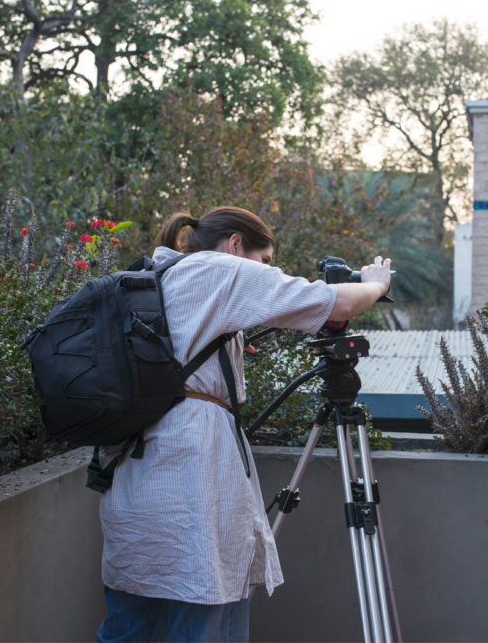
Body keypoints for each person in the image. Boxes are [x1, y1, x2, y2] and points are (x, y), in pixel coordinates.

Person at [97, 206, 391, 642]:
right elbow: (340, 302)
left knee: (129, 625)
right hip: (191, 488)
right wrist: (375, 284)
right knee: (201, 619)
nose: (265, 271)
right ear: (236, 244)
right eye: (265, 260)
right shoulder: (221, 268)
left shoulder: (157, 275)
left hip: (133, 483)